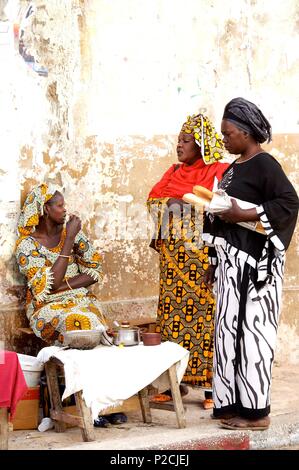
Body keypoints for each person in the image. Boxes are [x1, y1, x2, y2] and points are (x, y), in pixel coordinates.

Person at [203, 97, 299, 430]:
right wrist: (213, 260)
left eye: (228, 133)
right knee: (227, 336)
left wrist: (243, 213)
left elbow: (288, 203)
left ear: (245, 132)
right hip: (230, 268)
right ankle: (230, 405)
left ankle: (256, 413)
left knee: (252, 338)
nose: (224, 139)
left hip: (255, 271)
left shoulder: (264, 164)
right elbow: (220, 213)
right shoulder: (232, 168)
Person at [15, 183, 127, 427]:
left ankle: (103, 405)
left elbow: (94, 270)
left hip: (79, 299)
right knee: (80, 326)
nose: (65, 210)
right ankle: (86, 408)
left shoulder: (73, 233)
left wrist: (64, 286)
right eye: (60, 205)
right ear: (45, 209)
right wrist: (68, 244)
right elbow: (48, 287)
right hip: (46, 309)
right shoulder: (27, 246)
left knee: (100, 331)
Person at [147, 114, 229, 408]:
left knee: (208, 320)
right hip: (174, 267)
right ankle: (173, 386)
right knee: (171, 321)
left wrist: (181, 204)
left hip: (204, 262)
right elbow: (153, 200)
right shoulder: (173, 172)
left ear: (202, 144)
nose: (179, 145)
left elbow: (223, 207)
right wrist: (170, 203)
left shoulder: (220, 170)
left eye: (185, 141)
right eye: (179, 140)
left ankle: (211, 389)